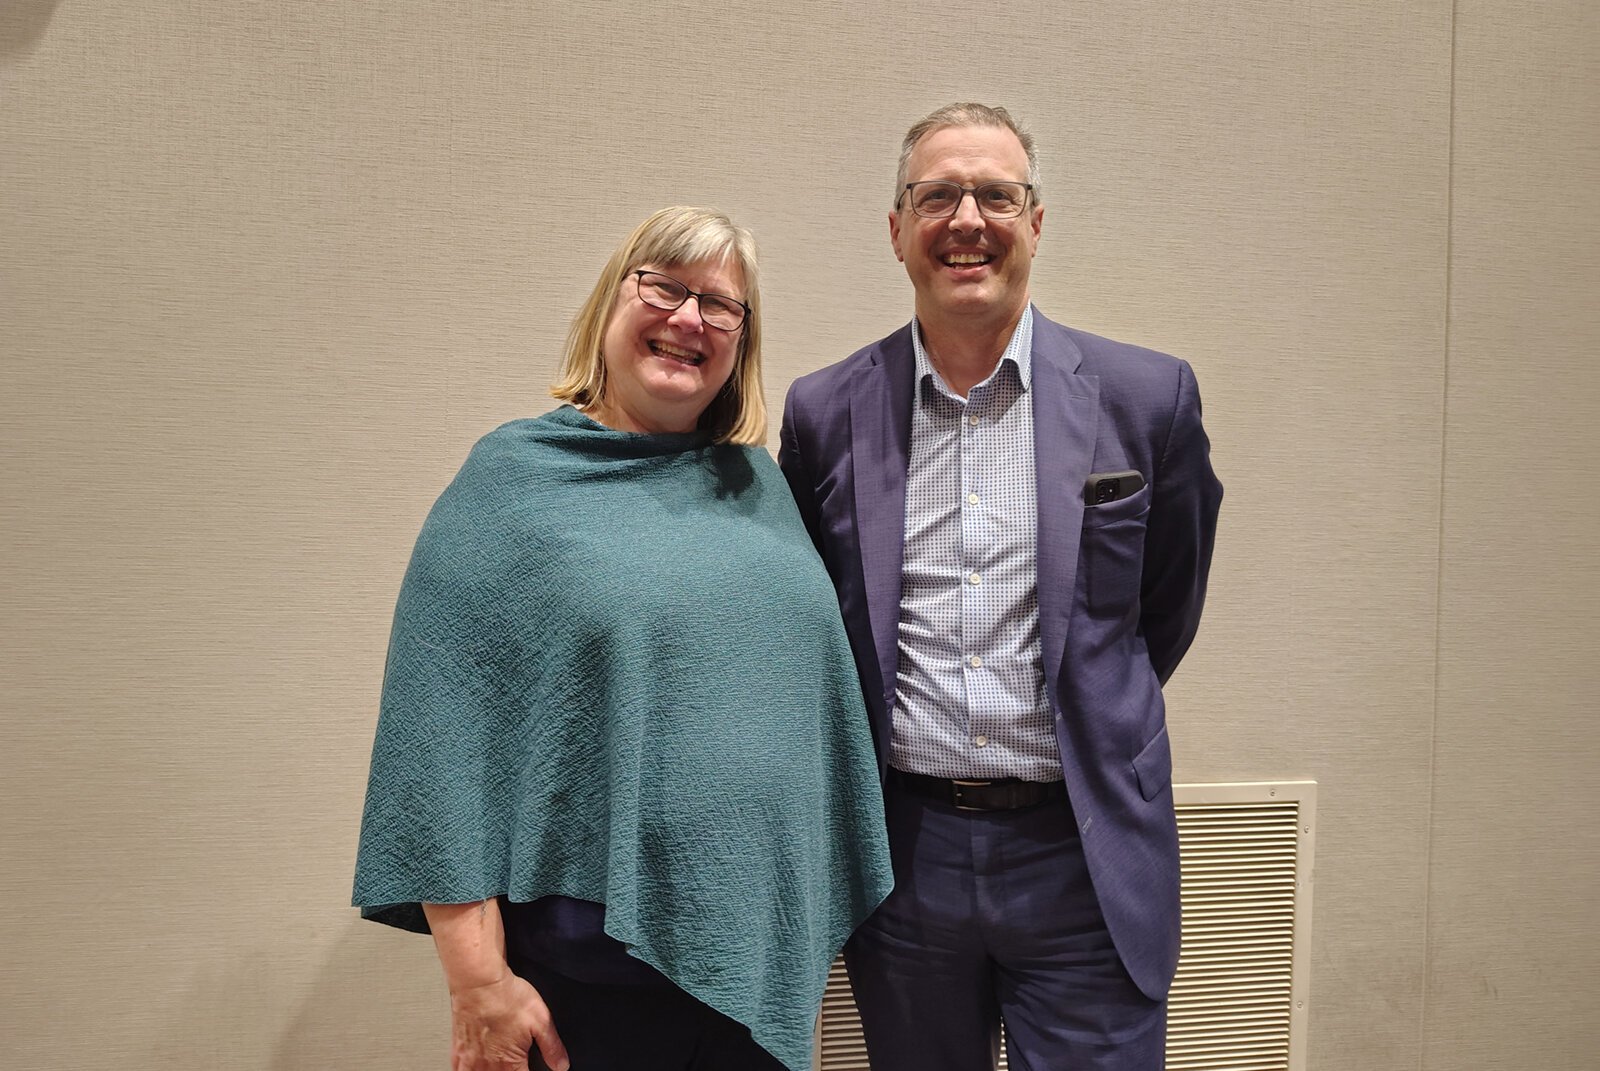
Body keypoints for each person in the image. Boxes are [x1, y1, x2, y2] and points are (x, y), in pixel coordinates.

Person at [353, 206, 892, 1071]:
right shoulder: (513, 481)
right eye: (664, 287)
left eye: (720, 305)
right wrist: (477, 981)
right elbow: (437, 743)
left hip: (760, 965)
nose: (688, 320)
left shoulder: (755, 484)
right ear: (611, 303)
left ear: (740, 345)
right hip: (591, 983)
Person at [779, 104, 1223, 1070]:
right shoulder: (824, 412)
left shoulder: (1147, 399)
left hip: (1085, 848)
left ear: (1035, 220)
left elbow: (1164, 610)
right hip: (906, 857)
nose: (966, 218)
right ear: (897, 229)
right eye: (937, 195)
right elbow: (818, 624)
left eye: (996, 194)